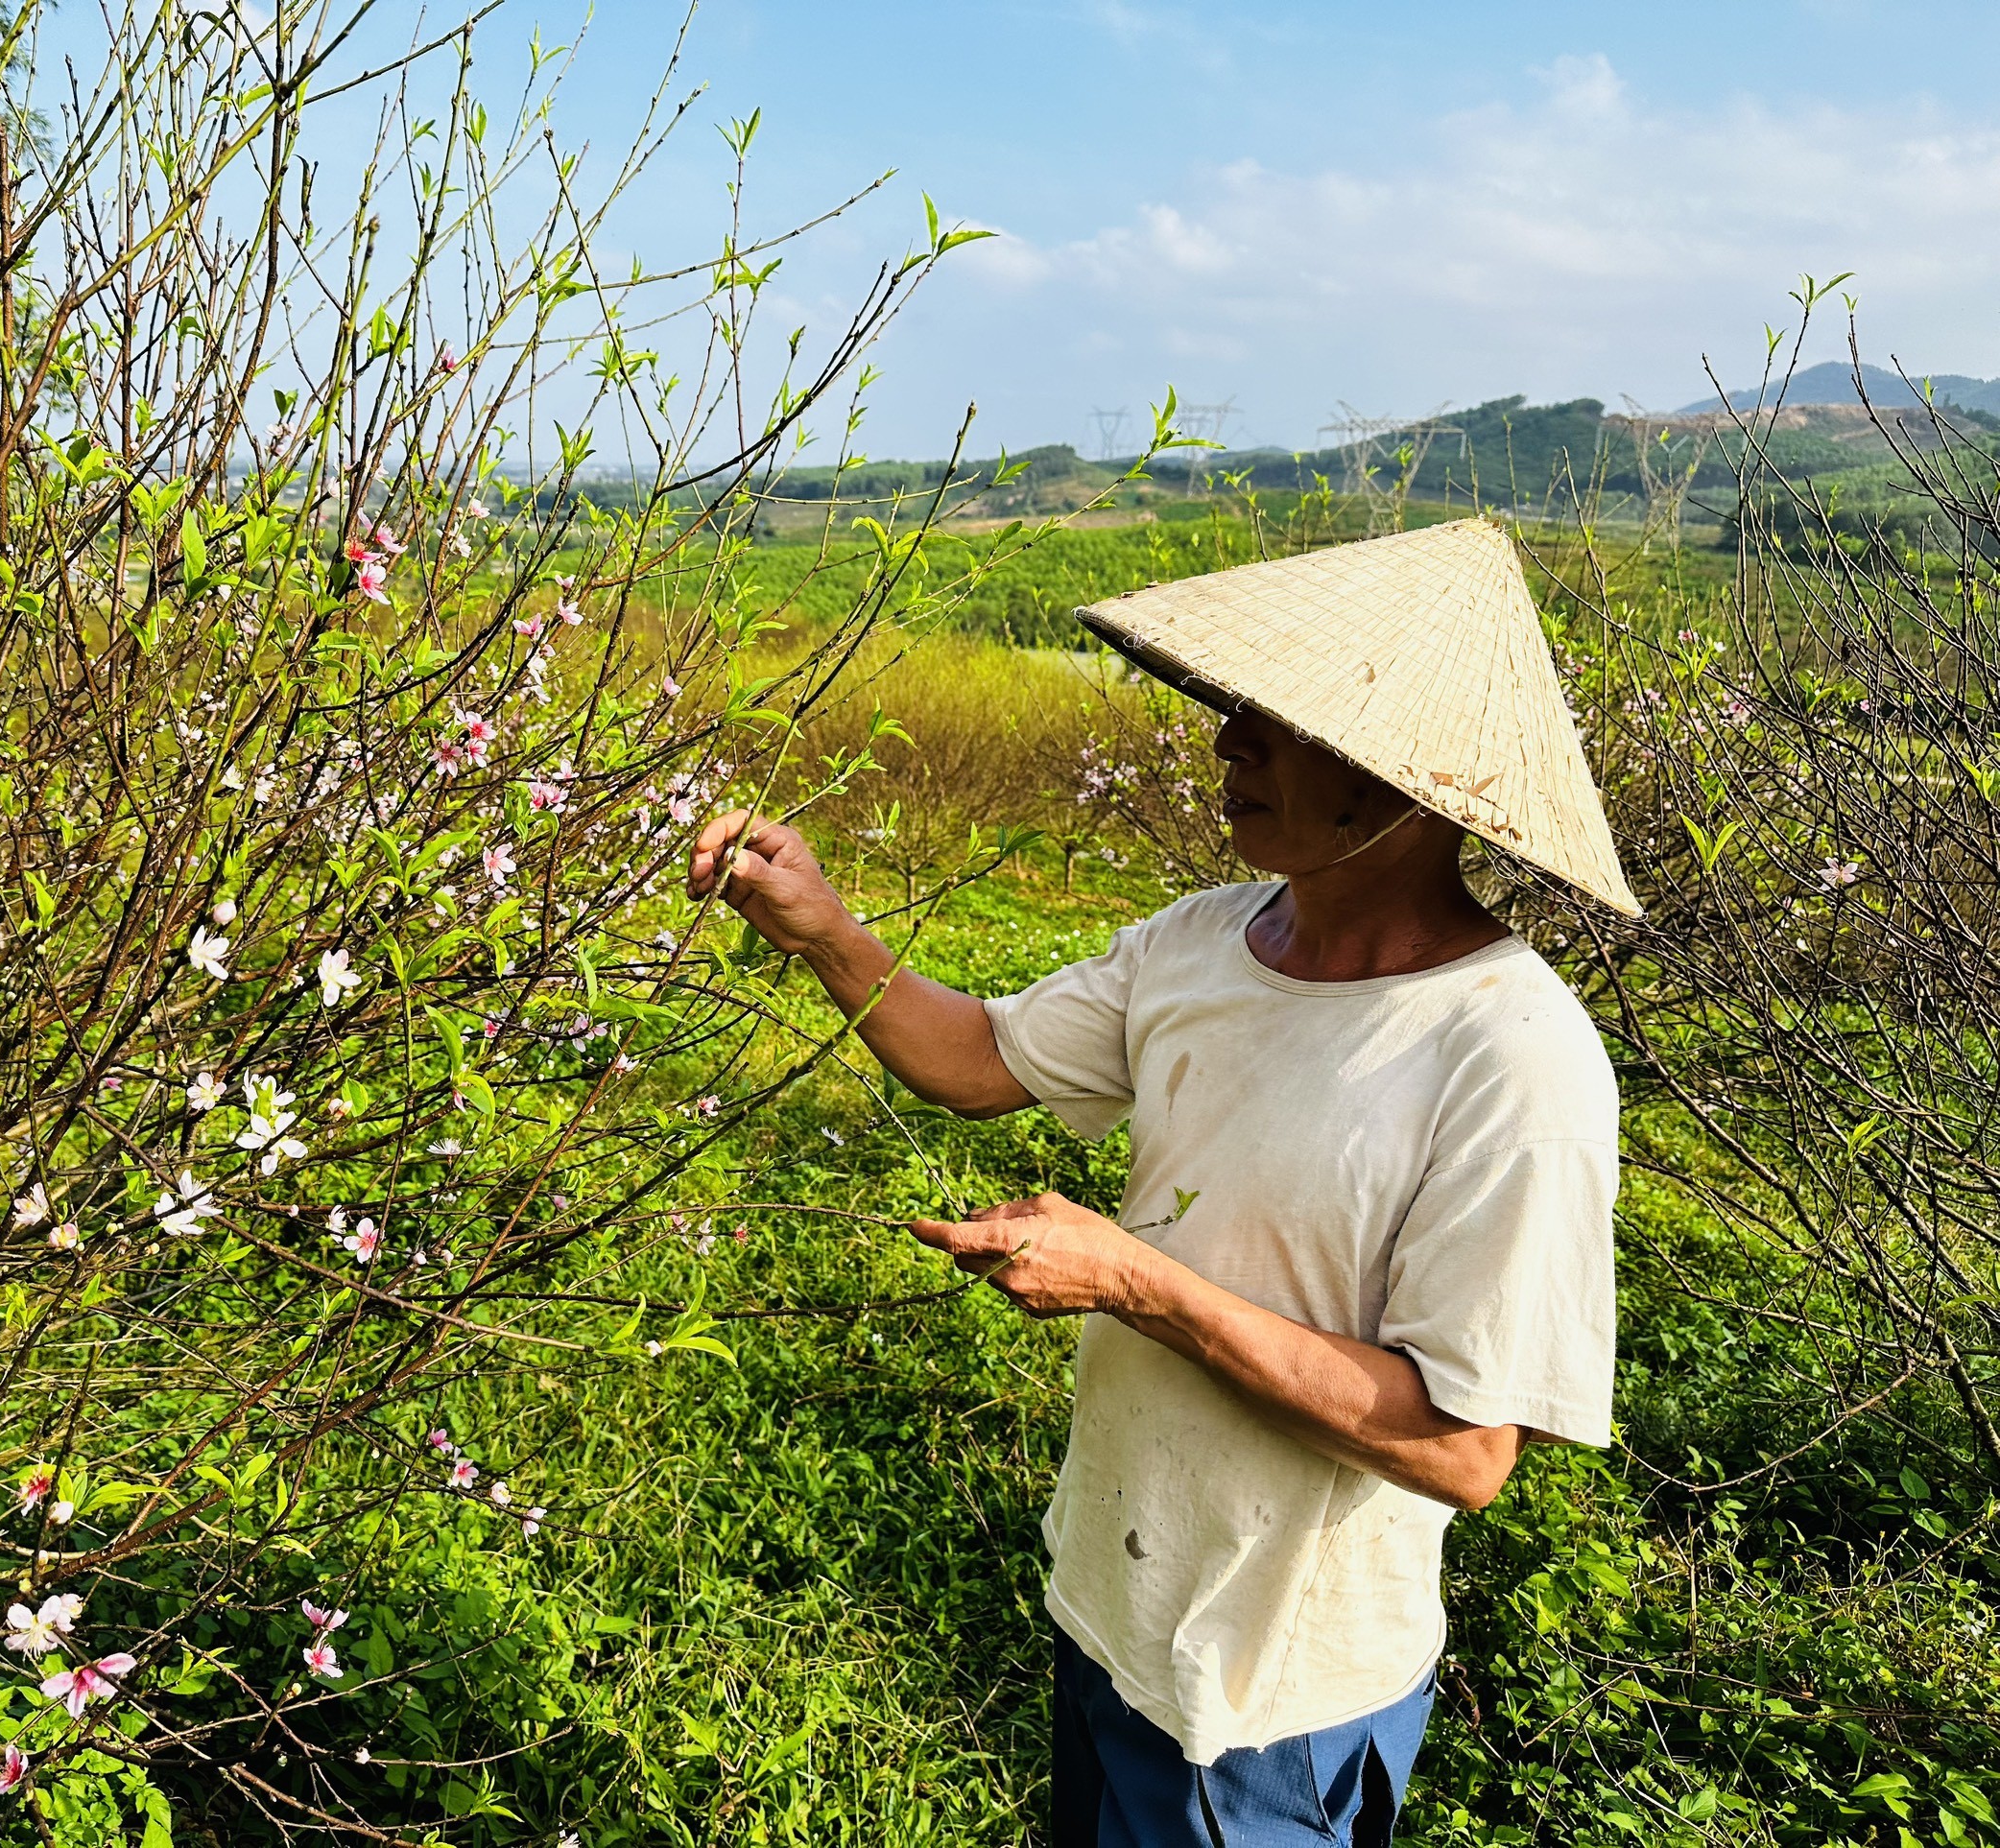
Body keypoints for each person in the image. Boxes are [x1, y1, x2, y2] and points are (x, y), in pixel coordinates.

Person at [684, 519, 1637, 1847]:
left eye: (1271, 719)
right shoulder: (1201, 944)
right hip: (1112, 1615)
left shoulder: (1512, 1057)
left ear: (1397, 776)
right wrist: (826, 931)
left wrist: (1137, 1280)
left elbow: (1464, 1446)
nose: (1225, 742)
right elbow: (976, 1057)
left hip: (1269, 1708)